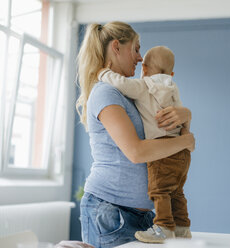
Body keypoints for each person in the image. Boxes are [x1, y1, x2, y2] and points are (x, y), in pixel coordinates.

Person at [76, 21, 194, 248]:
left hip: (142, 216)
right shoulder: (105, 93)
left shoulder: (131, 92)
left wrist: (185, 114)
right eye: (136, 49)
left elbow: (159, 126)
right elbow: (136, 152)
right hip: (111, 212)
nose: (141, 58)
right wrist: (185, 141)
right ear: (116, 47)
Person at [97, 46, 192, 243]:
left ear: (146, 69)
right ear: (171, 73)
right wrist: (186, 132)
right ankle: (182, 227)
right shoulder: (173, 87)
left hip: (161, 149)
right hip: (180, 151)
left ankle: (164, 226)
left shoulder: (144, 85)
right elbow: (181, 114)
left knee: (160, 190)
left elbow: (122, 84)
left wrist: (104, 72)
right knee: (176, 191)